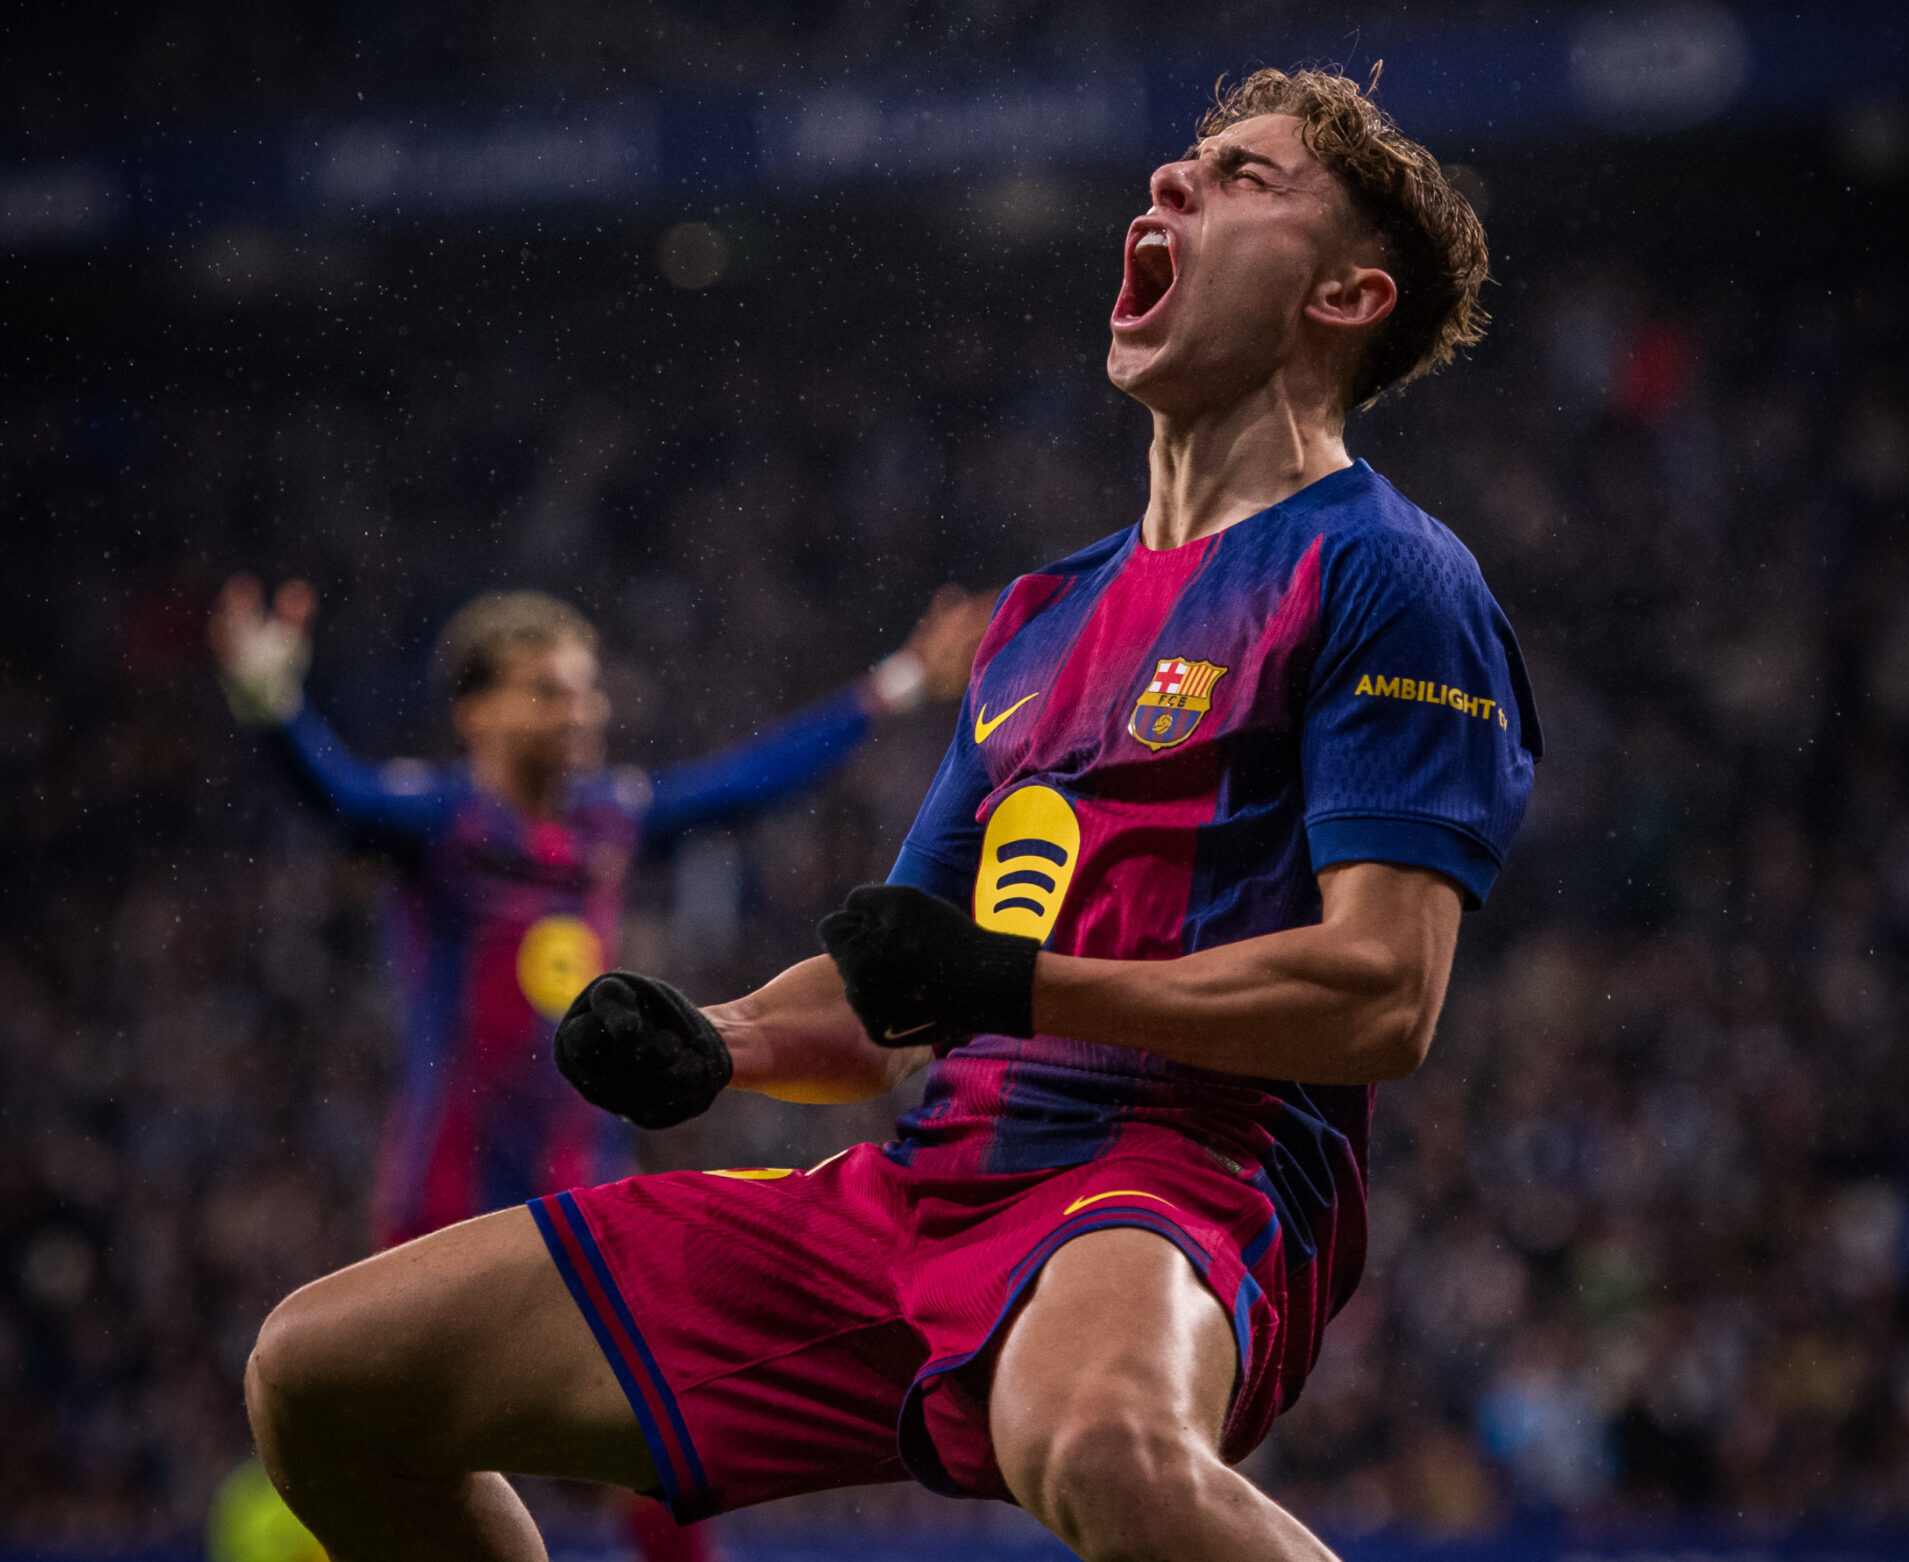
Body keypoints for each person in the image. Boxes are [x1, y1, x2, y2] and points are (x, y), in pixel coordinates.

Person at [243, 64, 1541, 1562]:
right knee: (326, 1377)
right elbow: (894, 988)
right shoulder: (1045, 616)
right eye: (1182, 161)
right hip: (927, 1187)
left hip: (1182, 1167)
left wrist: (1020, 984)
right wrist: (717, 1034)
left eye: (1245, 176)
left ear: (1347, 297)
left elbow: (1382, 995)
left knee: (1104, 1442)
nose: (1173, 182)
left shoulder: (1391, 575)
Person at [213, 578, 988, 1562]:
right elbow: (335, 795)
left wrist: (896, 683)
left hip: (583, 1176)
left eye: (584, 690)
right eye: (546, 690)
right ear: (475, 711)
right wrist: (269, 700)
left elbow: (742, 784)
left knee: (654, 1437)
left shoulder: (608, 821)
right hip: (446, 1187)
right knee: (417, 1433)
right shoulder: (440, 824)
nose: (578, 711)